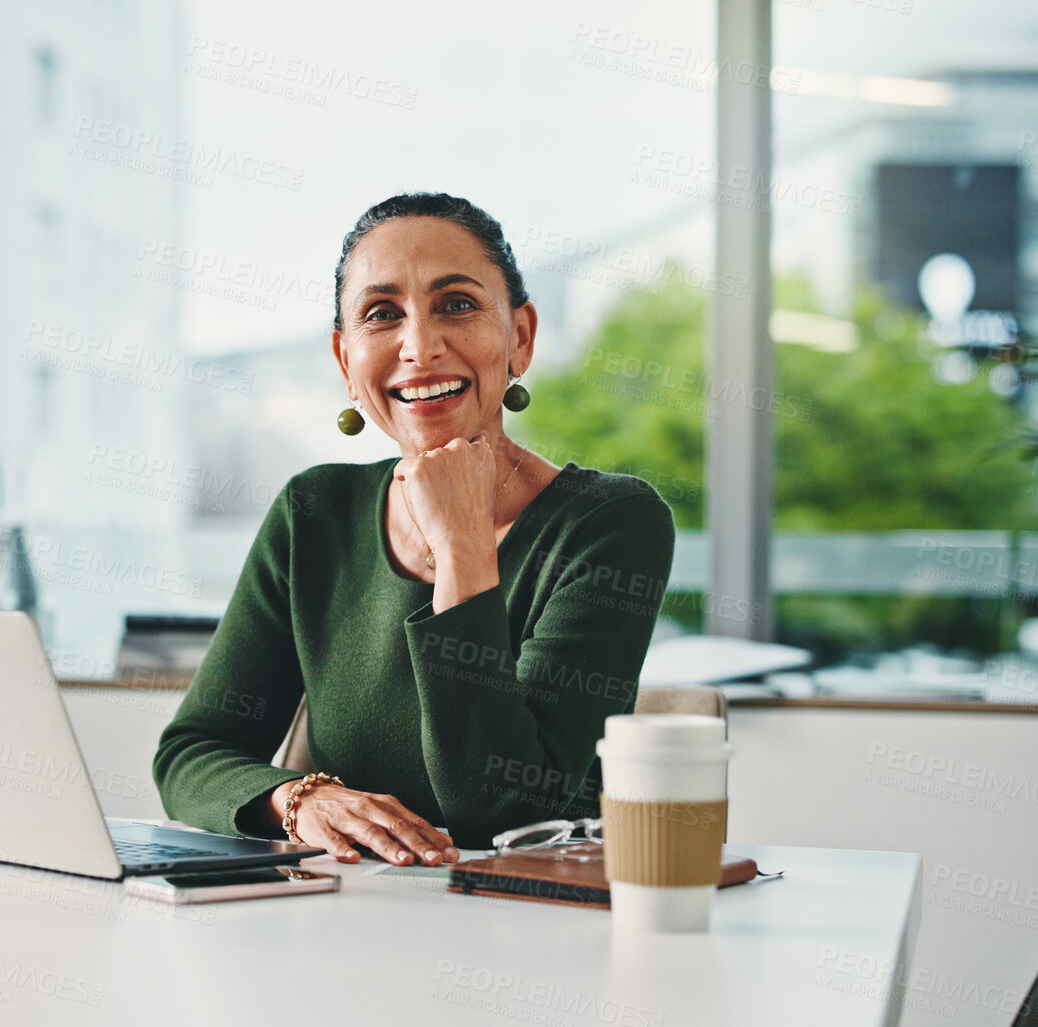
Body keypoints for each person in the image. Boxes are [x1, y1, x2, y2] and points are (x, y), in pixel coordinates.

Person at [151, 192, 676, 866]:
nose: (420, 346)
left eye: (456, 304)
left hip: (528, 929)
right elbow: (191, 754)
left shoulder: (608, 523)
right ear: (345, 360)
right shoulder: (314, 509)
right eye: (381, 314)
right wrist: (302, 800)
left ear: (519, 336)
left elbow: (501, 812)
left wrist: (461, 546)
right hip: (338, 919)